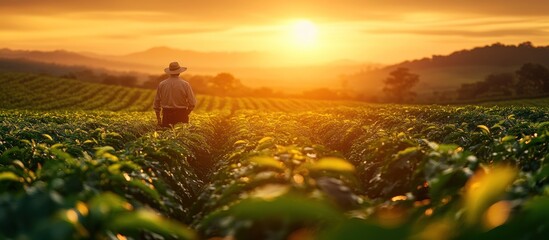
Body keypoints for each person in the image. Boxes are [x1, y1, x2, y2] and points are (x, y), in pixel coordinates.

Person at [153, 62, 196, 127]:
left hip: (167, 115)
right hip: (181, 114)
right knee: (182, 136)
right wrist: (186, 113)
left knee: (166, 135)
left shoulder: (162, 84)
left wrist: (159, 119)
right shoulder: (185, 84)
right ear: (179, 72)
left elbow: (156, 102)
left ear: (170, 72)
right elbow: (192, 103)